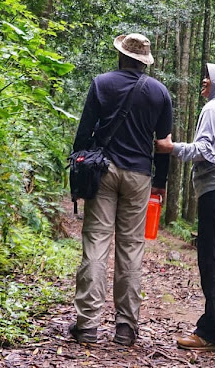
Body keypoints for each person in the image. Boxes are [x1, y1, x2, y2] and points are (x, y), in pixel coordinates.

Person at [69, 33, 173, 347]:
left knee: (97, 245)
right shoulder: (160, 92)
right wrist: (160, 183)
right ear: (144, 61)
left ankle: (87, 325)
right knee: (130, 250)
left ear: (121, 56)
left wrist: (78, 172)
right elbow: (163, 146)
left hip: (103, 172)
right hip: (140, 176)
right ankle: (126, 328)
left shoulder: (101, 83)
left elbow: (84, 133)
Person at [155, 63, 215, 352]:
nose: (204, 80)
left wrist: (171, 148)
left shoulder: (213, 109)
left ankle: (211, 334)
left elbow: (205, 151)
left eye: (210, 77)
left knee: (212, 262)